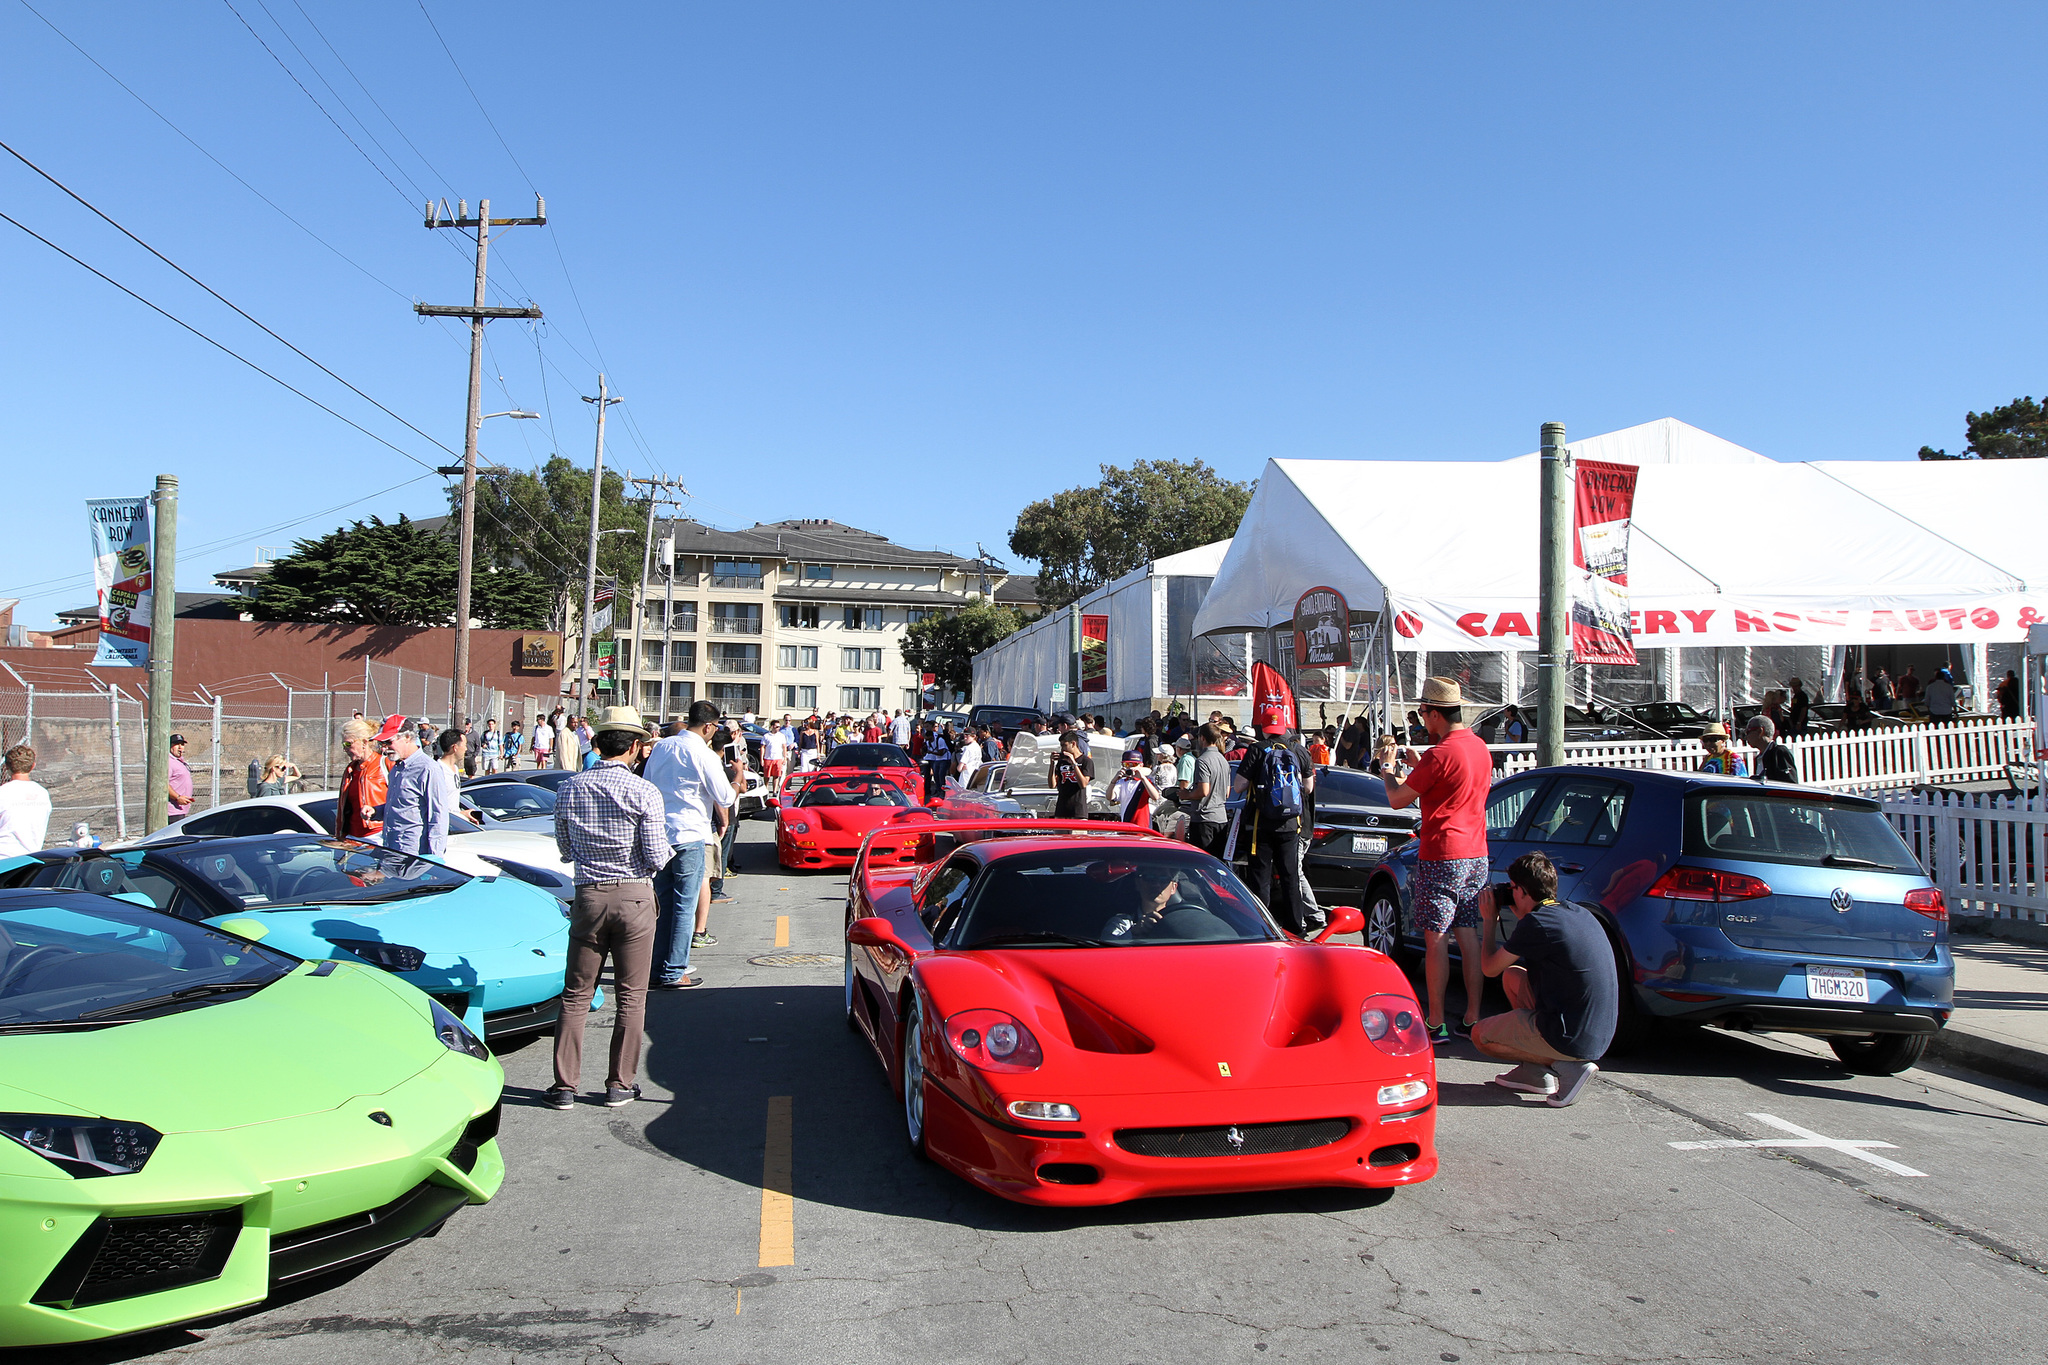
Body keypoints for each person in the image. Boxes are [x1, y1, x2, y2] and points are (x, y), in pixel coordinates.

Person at [547, 706, 666, 1109]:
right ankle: (620, 1083)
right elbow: (655, 854)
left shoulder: (569, 787)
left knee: (577, 992)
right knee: (632, 994)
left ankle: (565, 1085)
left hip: (589, 893)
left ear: (596, 744)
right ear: (634, 747)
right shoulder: (644, 790)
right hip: (634, 893)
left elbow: (565, 849)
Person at [1378, 677, 1489, 1042]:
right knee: (1468, 932)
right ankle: (1473, 1016)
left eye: (1424, 711)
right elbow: (1447, 781)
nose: (1422, 718)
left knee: (1436, 937)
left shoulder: (1440, 755)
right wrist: (1419, 763)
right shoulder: (1478, 747)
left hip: (1443, 852)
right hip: (1476, 852)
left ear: (1436, 714)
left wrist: (1387, 769)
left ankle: (1436, 1020)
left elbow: (1397, 799)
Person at [1470, 852, 1618, 1108]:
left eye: (1513, 888)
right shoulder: (1574, 911)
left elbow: (1489, 968)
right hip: (1596, 1031)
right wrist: (1523, 916)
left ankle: (1566, 1067)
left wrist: (1489, 921)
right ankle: (1534, 1073)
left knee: (1480, 1036)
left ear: (1525, 892)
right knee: (1513, 976)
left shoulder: (1537, 924)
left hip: (1571, 1037)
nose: (1509, 893)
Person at [642, 699, 736, 990]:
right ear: (708, 726)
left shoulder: (662, 747)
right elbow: (725, 798)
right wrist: (736, 780)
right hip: (689, 834)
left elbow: (646, 784)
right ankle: (674, 970)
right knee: (685, 906)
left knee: (664, 906)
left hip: (660, 833)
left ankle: (658, 968)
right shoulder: (703, 753)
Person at [1232, 696, 1316, 937]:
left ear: (1263, 728)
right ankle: (1296, 927)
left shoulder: (1257, 750)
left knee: (1261, 877)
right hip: (1291, 824)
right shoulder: (1298, 750)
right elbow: (1308, 788)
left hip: (1261, 824)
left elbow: (1239, 785)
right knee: (1290, 876)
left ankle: (1263, 927)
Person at [378, 714, 450, 856]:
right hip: (391, 847)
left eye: (388, 742)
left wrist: (435, 859)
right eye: (382, 744)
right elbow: (402, 808)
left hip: (413, 854)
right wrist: (376, 812)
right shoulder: (396, 768)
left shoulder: (428, 769)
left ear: (406, 737)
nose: (384, 749)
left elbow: (438, 816)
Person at [335, 718, 388, 838]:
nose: (345, 749)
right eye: (343, 744)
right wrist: (340, 834)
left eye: (349, 744)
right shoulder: (350, 770)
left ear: (364, 742)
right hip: (352, 836)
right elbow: (343, 808)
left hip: (378, 835)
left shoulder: (385, 764)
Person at [0, 745, 52, 856]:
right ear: (33, 766)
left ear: (6, 767)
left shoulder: (3, 792)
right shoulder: (42, 794)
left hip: (3, 860)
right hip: (31, 862)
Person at [1107, 750, 1160, 826]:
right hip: (1126, 823)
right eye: (1127, 764)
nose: (1130, 767)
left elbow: (1155, 797)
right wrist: (1114, 780)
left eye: (1134, 764)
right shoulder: (1122, 781)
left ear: (1141, 765)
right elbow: (1110, 797)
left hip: (1143, 826)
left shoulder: (1145, 782)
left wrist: (1143, 778)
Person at [1744, 715, 1800, 783]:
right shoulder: (1758, 758)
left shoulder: (1779, 753)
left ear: (1760, 731)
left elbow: (1790, 784)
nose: (1746, 737)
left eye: (1748, 732)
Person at [1051, 732, 1094, 821]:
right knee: (1060, 835)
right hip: (1061, 810)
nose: (1062, 749)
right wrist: (1052, 764)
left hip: (1078, 811)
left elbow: (1083, 784)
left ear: (1073, 744)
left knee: (1077, 835)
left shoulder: (1086, 761)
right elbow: (1052, 785)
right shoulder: (1062, 761)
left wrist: (1074, 763)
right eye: (1061, 746)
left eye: (1064, 745)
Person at [919, 720, 952, 802]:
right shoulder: (928, 741)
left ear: (932, 737)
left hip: (944, 759)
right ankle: (938, 790)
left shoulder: (940, 740)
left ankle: (942, 792)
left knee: (941, 775)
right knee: (936, 775)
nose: (928, 741)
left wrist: (931, 752)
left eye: (929, 739)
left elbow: (941, 753)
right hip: (937, 759)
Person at [166, 734, 194, 822]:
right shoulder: (168, 761)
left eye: (182, 745)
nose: (180, 748)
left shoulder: (179, 761)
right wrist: (177, 797)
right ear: (169, 745)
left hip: (181, 810)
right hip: (172, 811)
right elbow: (163, 784)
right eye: (176, 744)